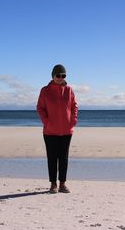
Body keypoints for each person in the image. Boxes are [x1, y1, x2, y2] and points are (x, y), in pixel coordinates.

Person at [36, 64, 78, 194]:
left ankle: (63, 184)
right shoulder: (45, 90)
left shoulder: (69, 90)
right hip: (50, 131)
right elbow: (40, 108)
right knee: (52, 158)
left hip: (66, 130)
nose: (60, 78)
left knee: (64, 158)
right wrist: (46, 122)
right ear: (53, 76)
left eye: (63, 76)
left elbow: (74, 106)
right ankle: (53, 184)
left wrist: (73, 121)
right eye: (58, 75)